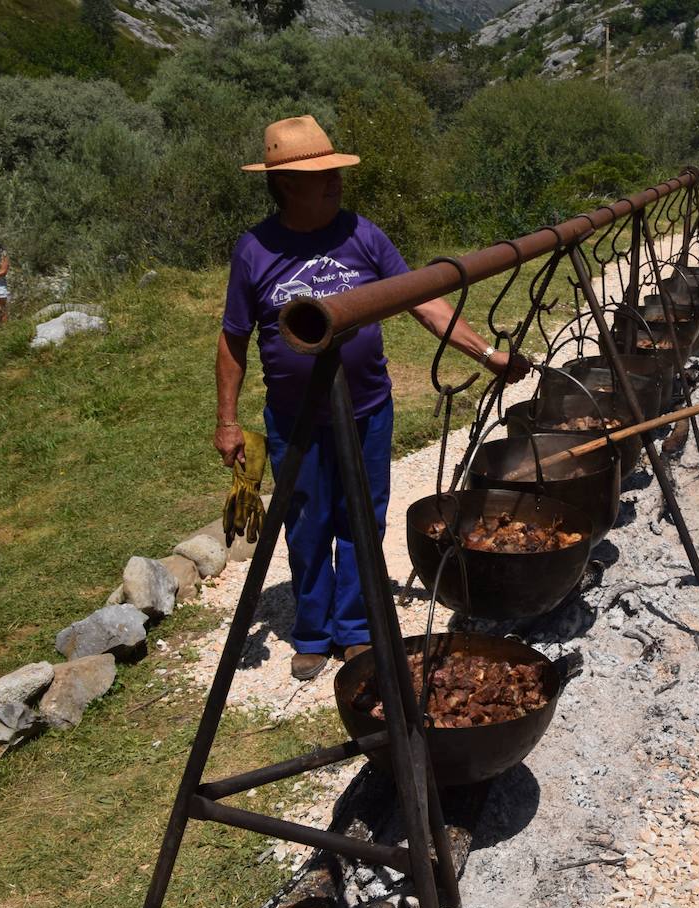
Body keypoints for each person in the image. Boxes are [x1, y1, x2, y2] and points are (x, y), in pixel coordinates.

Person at [216, 115, 531, 681]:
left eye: (336, 170)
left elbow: (426, 302)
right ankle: (313, 632)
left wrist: (486, 356)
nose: (336, 181)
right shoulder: (254, 251)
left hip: (365, 412)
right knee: (307, 521)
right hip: (294, 419)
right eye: (321, 174)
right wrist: (227, 421)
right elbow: (233, 338)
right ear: (285, 184)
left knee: (362, 516)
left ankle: (356, 629)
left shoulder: (363, 234)